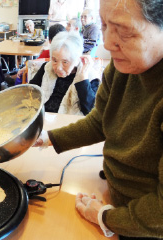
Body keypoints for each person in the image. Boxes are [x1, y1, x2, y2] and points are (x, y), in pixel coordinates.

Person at [34, 0, 163, 238]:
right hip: (113, 191)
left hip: (141, 221)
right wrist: (44, 138)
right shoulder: (122, 67)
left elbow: (159, 213)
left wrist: (104, 216)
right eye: (103, 25)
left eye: (124, 31)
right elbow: (100, 121)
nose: (106, 43)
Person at [29, 31, 100, 115]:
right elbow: (31, 91)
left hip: (70, 124)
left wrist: (83, 79)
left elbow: (91, 111)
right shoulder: (47, 67)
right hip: (44, 119)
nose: (58, 68)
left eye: (65, 62)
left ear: (77, 60)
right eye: (54, 60)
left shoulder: (90, 76)